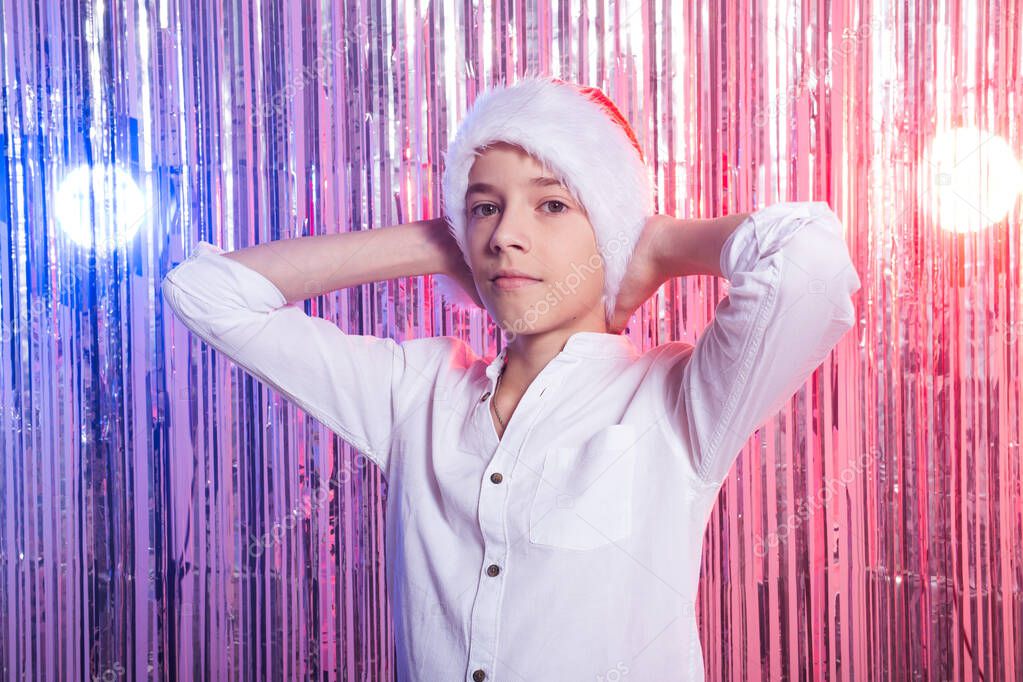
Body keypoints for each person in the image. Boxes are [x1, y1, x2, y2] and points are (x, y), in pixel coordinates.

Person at [161, 75, 861, 681]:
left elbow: (811, 266)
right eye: (484, 207)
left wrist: (656, 246)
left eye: (552, 204)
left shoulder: (678, 399)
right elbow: (207, 293)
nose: (503, 236)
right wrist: (436, 241)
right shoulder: (418, 393)